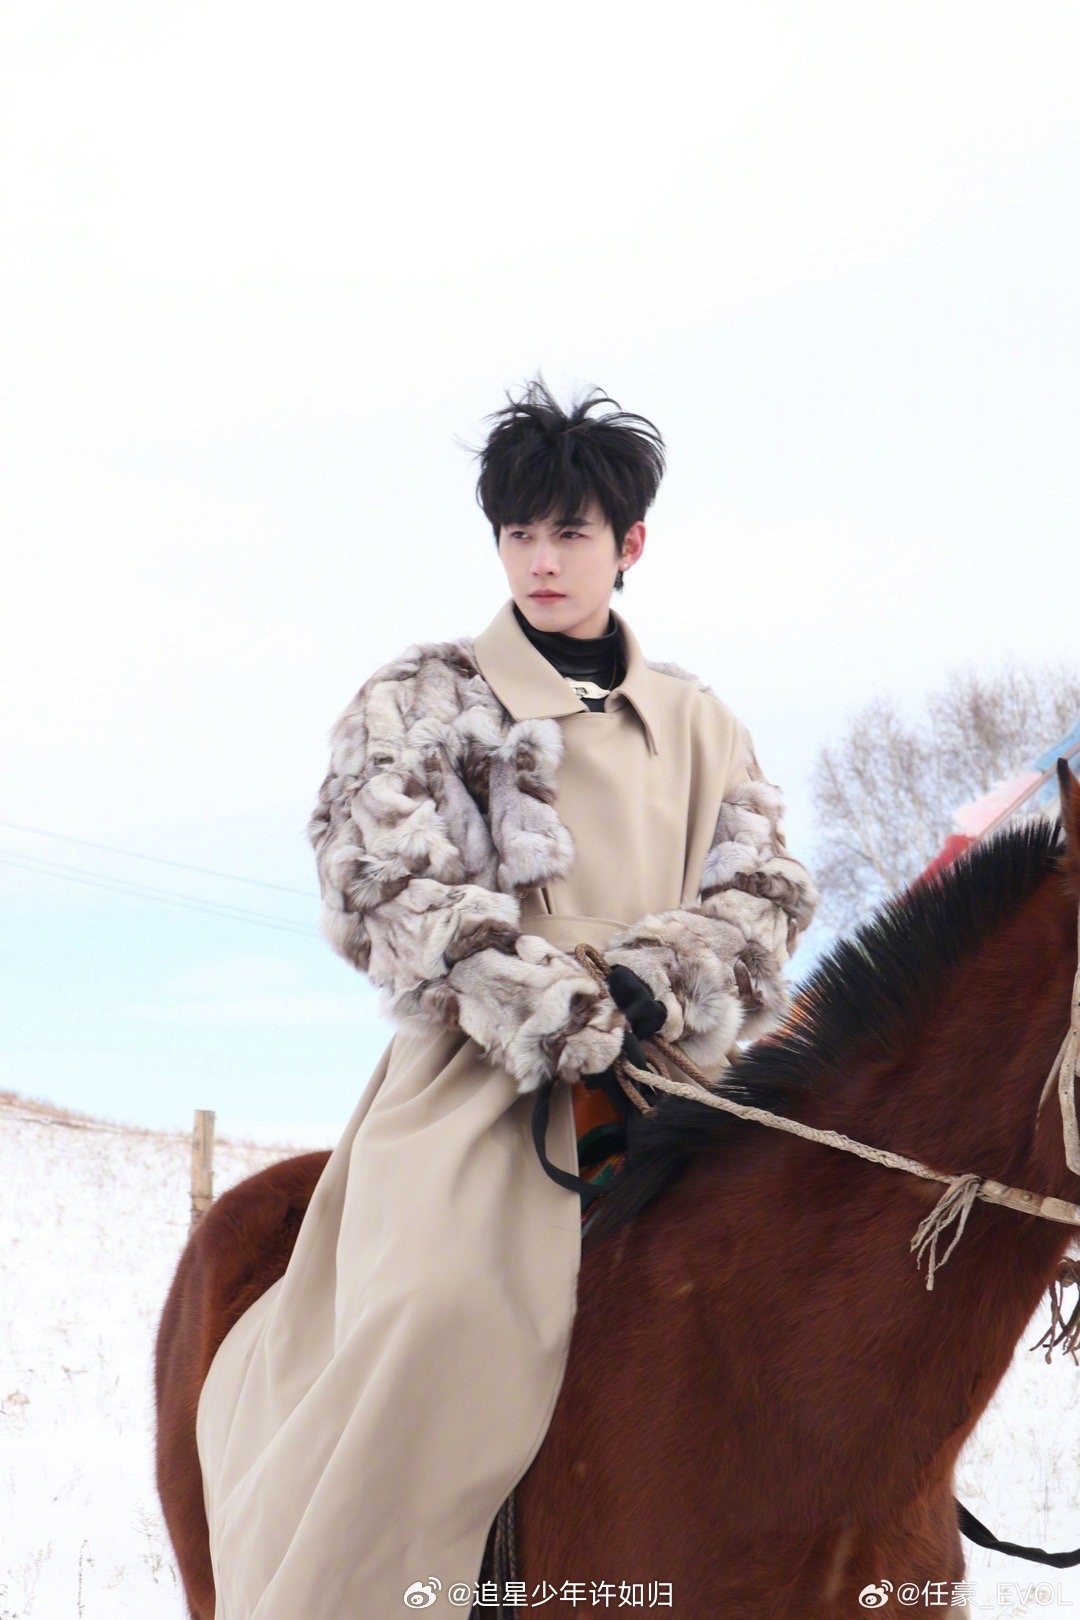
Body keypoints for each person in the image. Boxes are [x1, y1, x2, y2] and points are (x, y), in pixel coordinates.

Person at [194, 376, 818, 1617]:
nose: (541, 560)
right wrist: (542, 1001)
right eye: (519, 533)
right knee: (437, 1307)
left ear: (630, 545)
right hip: (486, 1072)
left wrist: (663, 978)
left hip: (678, 1068)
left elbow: (765, 889)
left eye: (570, 533)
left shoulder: (703, 722)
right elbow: (383, 879)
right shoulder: (417, 701)